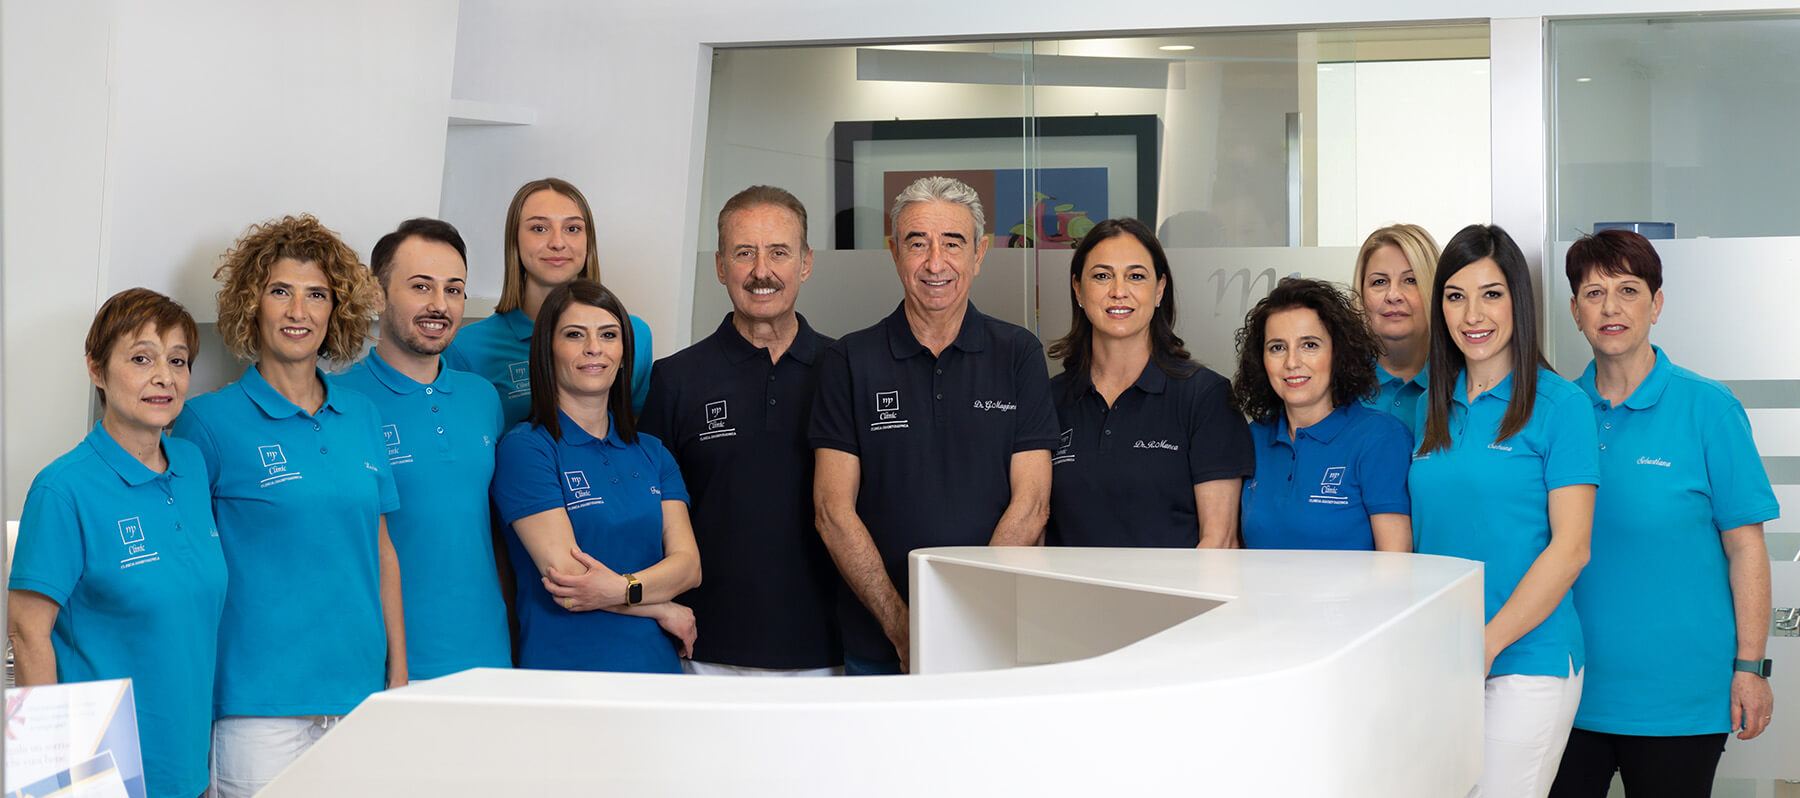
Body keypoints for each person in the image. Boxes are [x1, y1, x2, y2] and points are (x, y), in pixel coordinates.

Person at [171, 215, 405, 797]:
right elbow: (188, 571)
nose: (298, 311)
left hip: (359, 696)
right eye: (281, 291)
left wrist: (398, 677)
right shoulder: (206, 422)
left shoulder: (362, 416)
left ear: (336, 311)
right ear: (253, 304)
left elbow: (381, 552)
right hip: (256, 706)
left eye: (316, 295)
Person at [1549, 230, 1779, 797]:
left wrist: (1751, 667)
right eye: (1594, 293)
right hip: (1566, 690)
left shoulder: (1709, 408)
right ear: (1575, 312)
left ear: (1656, 304)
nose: (1611, 307)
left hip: (1679, 699)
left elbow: (1747, 548)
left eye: (1628, 290)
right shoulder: (1556, 411)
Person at [810, 175, 1059, 674]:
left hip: (991, 635)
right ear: (894, 252)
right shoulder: (849, 360)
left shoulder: (1019, 354)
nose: (935, 263)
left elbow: (1032, 504)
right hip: (876, 643)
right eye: (917, 243)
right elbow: (832, 511)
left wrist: (961, 620)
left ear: (980, 253)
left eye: (953, 243)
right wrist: (904, 629)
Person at [7, 289, 225, 798]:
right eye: (141, 359)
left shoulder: (192, 465)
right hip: (102, 774)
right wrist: (52, 780)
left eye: (177, 361)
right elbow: (26, 633)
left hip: (188, 762)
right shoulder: (63, 489)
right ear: (97, 369)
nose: (164, 377)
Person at [1409, 224, 1597, 798]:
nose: (1473, 314)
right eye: (1455, 296)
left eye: (1491, 294)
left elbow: (1571, 549)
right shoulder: (1429, 407)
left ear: (1519, 300)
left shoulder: (1561, 405)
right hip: (1444, 659)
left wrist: (1487, 643)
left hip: (1528, 661)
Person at [640, 186, 841, 675]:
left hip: (828, 652)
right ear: (720, 265)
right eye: (744, 253)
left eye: (779, 253)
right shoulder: (674, 379)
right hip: (705, 651)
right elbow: (647, 518)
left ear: (806, 263)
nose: (761, 271)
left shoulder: (847, 370)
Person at [330, 218, 511, 680]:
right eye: (421, 286)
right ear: (377, 295)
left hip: (489, 660)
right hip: (386, 668)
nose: (440, 305)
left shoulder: (483, 397)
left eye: (454, 290)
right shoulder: (337, 401)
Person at [490, 279, 701, 673]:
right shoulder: (526, 449)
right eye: (575, 335)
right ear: (547, 349)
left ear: (623, 355)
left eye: (608, 335)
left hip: (657, 671)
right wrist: (661, 607)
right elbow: (570, 582)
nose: (594, 348)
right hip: (567, 671)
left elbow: (689, 567)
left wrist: (623, 589)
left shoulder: (653, 452)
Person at [1042, 217, 1252, 548]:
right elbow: (1034, 523)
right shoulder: (1049, 399)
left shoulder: (1205, 396)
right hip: (1064, 584)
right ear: (1078, 290)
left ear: (1159, 290)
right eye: (1102, 276)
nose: (1118, 291)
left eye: (1136, 276)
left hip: (1176, 584)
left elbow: (1220, 541)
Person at [444, 177, 654, 424]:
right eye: (539, 229)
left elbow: (636, 432)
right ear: (514, 240)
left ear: (588, 241)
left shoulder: (633, 335)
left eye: (572, 229)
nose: (557, 243)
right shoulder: (466, 348)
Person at [1231, 277, 1412, 552]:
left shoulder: (1380, 438)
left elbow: (1396, 562)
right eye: (1277, 347)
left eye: (1310, 345)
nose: (1292, 362)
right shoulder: (1252, 438)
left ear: (1338, 353)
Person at [1353, 223, 1439, 434]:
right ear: (1361, 295)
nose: (1393, 295)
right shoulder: (1334, 386)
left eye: (1410, 280)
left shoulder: (1466, 386)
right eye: (1379, 282)